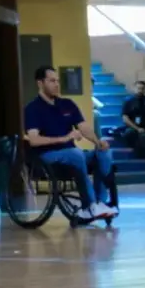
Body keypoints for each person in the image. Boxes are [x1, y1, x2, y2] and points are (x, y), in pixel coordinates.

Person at [24, 66, 118, 220]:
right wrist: (65, 138)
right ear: (40, 83)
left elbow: (83, 127)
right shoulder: (32, 108)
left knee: (104, 153)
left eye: (58, 81)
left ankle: (100, 202)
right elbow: (33, 140)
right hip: (47, 157)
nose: (56, 84)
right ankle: (89, 205)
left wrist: (97, 142)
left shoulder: (67, 104)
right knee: (76, 153)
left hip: (72, 154)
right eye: (52, 81)